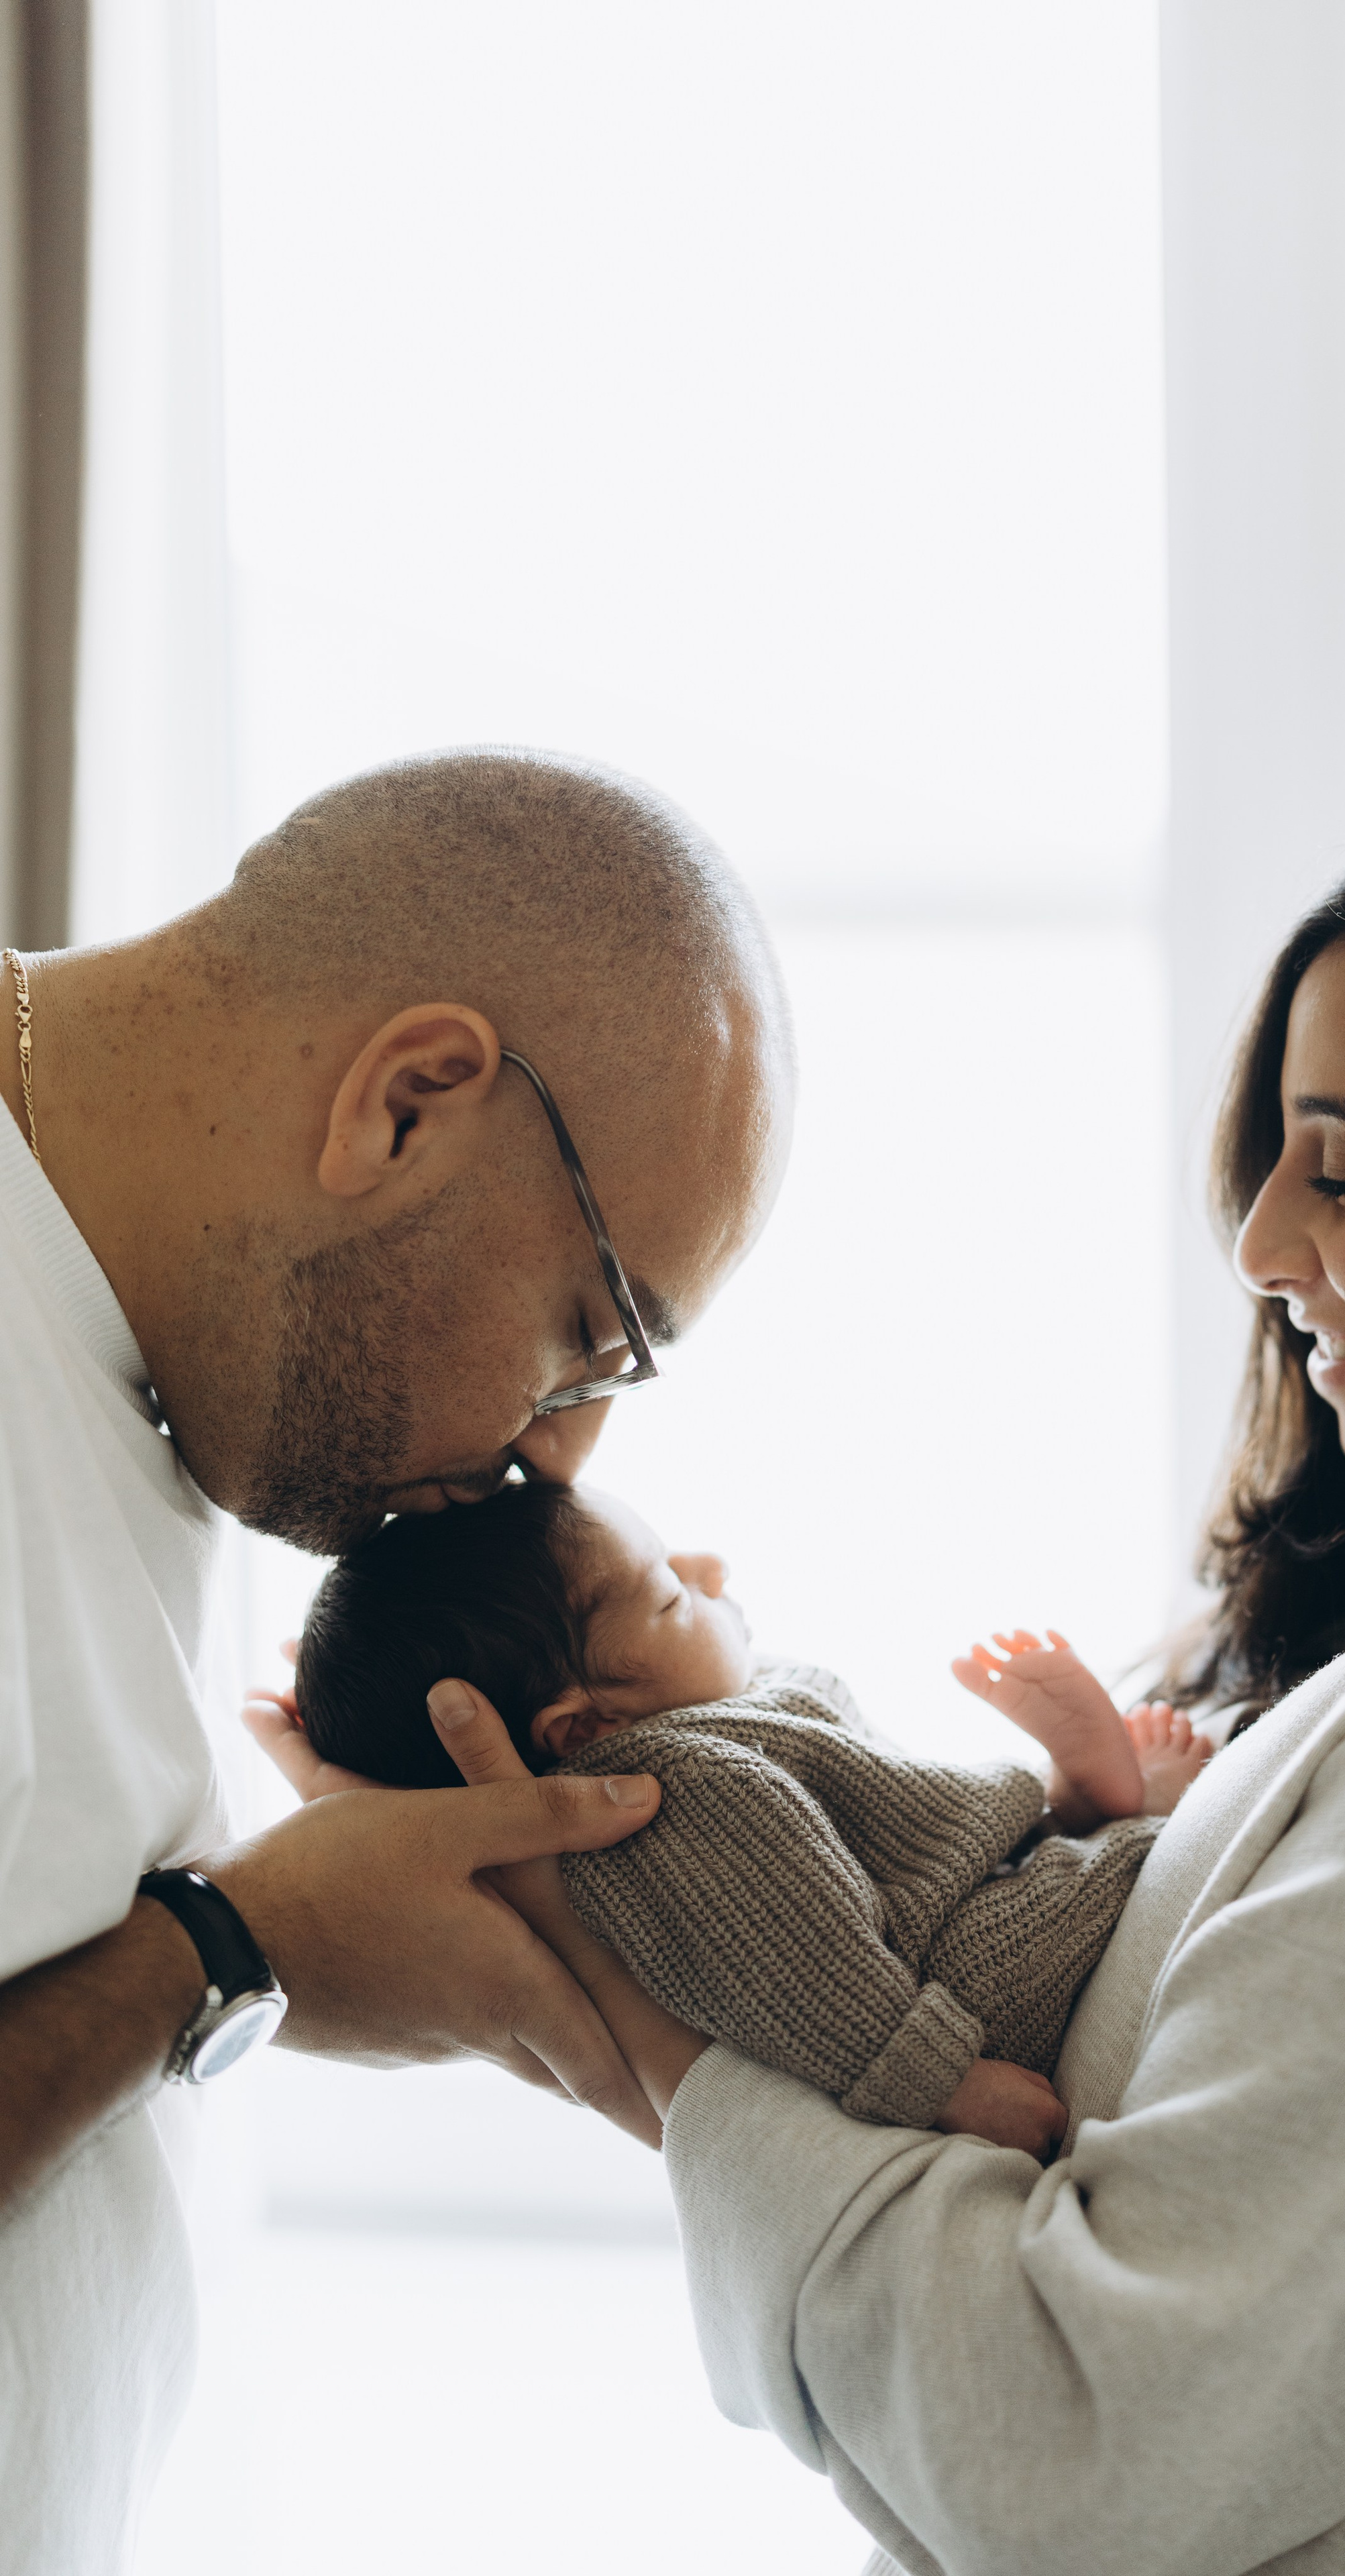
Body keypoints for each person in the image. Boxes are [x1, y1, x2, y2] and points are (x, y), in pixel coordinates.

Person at [252, 782, 1345, 2575]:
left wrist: (598, 1996)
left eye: (1342, 1170)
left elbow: (1067, 2458)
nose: (1259, 1245)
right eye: (1267, 1165)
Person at [0, 749, 793, 2575]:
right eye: (588, 1338)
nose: (565, 1457)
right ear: (411, 1104)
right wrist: (228, 1948)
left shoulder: (180, 1378)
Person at [285, 1479, 1210, 2157]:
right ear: (584, 1728)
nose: (709, 1569)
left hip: (958, 1894)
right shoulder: (674, 1794)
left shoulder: (699, 1724)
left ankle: (1071, 1806)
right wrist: (945, 2085)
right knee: (1143, 1869)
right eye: (668, 1595)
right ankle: (1111, 1821)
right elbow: (795, 1962)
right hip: (960, 1984)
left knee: (1039, 1861)